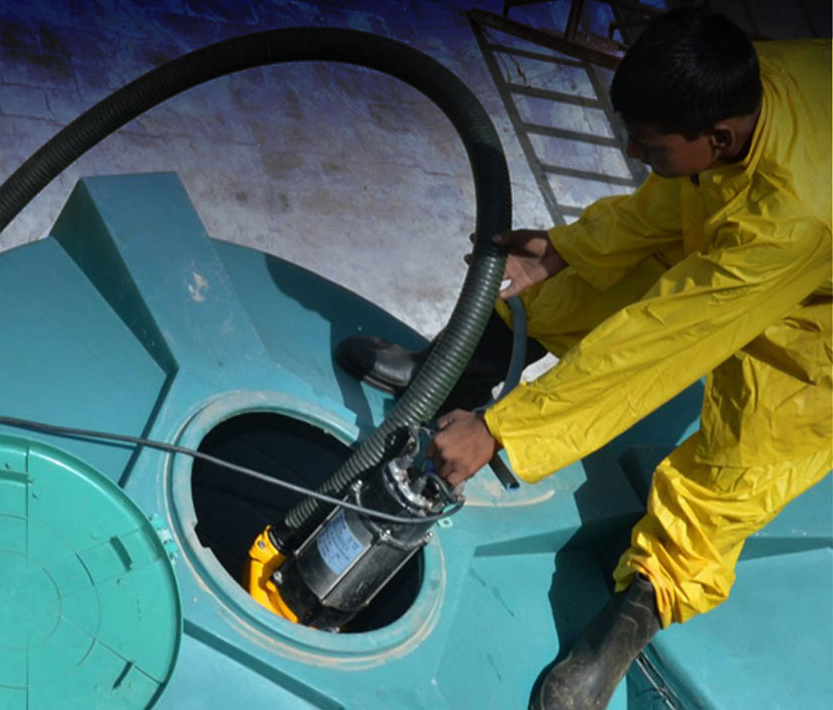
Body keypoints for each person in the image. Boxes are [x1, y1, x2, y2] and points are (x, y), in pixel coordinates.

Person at [340, 8, 830, 709]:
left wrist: (503, 431)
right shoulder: (747, 85)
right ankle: (446, 374)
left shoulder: (792, 215)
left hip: (819, 322)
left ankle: (626, 623)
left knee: (738, 470)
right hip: (759, 229)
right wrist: (570, 248)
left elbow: (658, 344)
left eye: (649, 146)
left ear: (719, 136)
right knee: (598, 276)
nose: (633, 154)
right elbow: (677, 193)